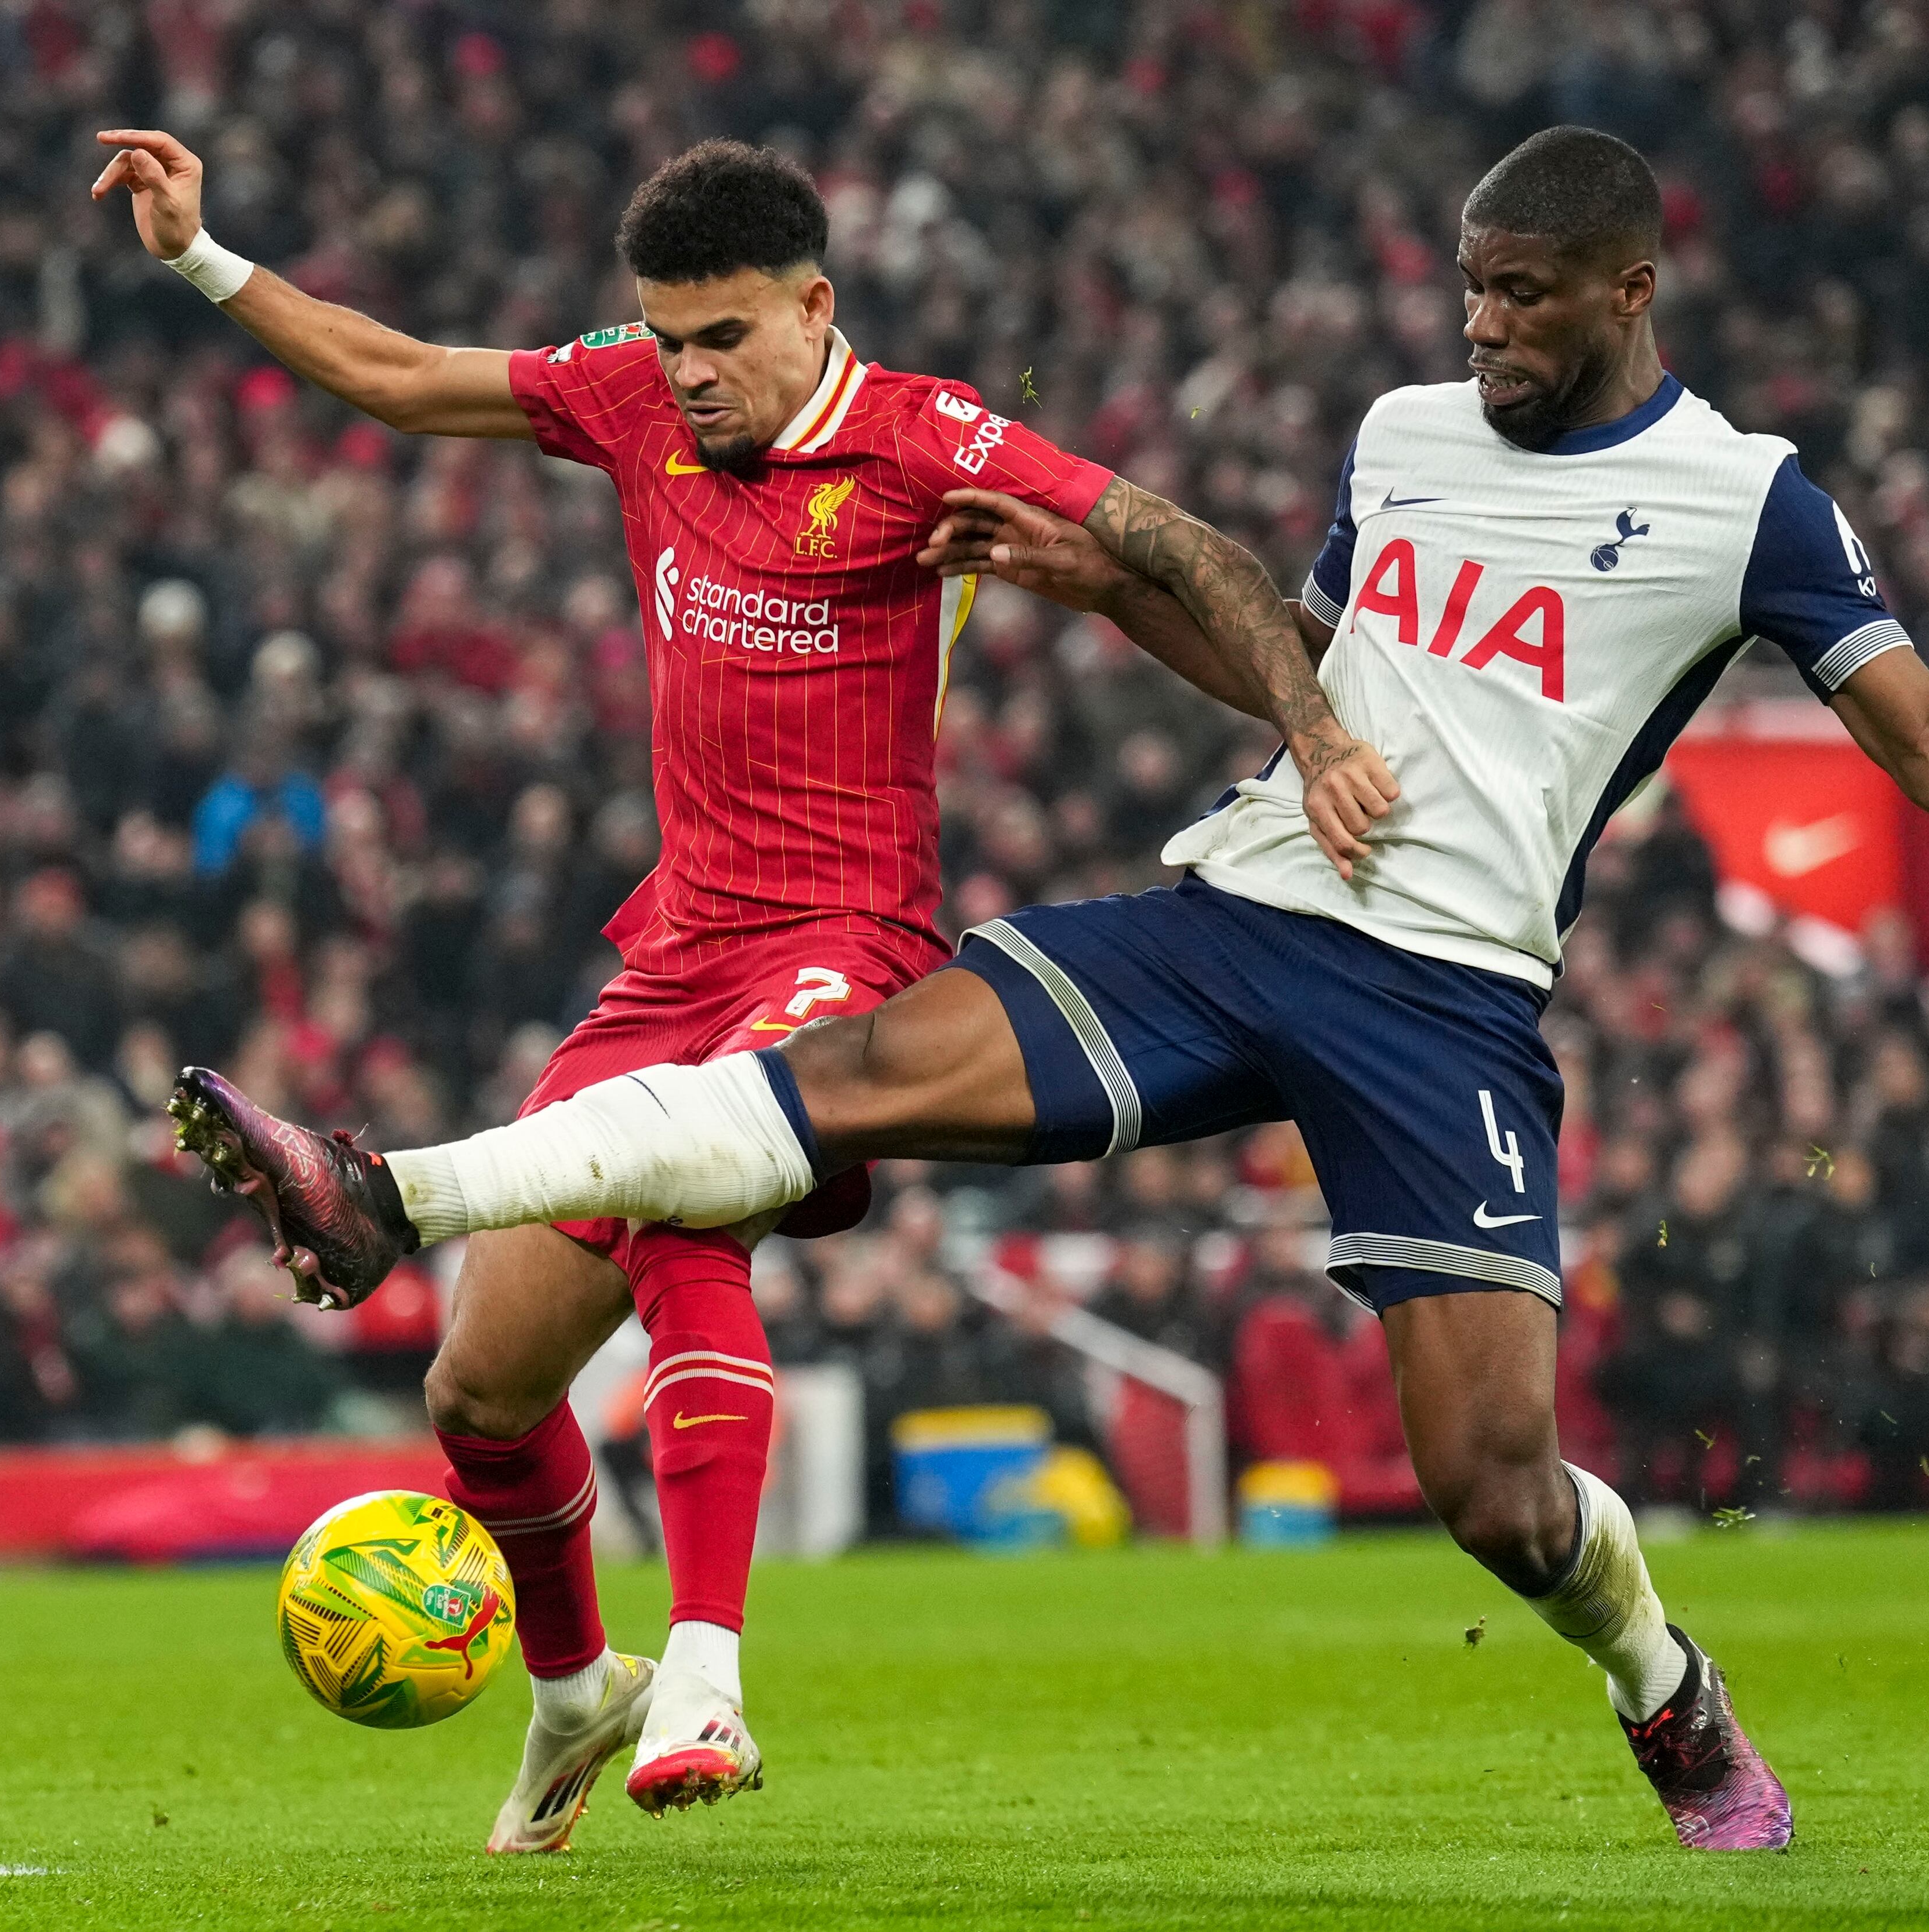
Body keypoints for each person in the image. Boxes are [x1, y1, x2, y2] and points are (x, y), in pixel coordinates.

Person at [173, 125, 1929, 1852]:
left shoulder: (1750, 500)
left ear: (1628, 291)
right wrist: (1122, 611)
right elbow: (1284, 650)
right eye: (1468, 292)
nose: (1478, 328)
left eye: (1517, 296)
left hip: (1448, 1000)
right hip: (1237, 914)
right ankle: (394, 1195)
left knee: (1497, 1499)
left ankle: (1663, 1680)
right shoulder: (1403, 435)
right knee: (835, 1084)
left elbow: (1923, 740)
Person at [94, 129, 1390, 1844]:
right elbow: (401, 379)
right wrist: (200, 255)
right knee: (478, 1394)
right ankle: (577, 1693)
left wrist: (1314, 738)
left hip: (844, 954)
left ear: (812, 307)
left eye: (721, 339)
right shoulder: (632, 399)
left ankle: (705, 1671)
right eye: (666, 337)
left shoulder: (930, 441)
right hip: (676, 950)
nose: (687, 374)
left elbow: (1173, 543)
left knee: (684, 1197)